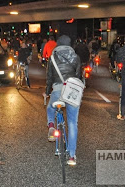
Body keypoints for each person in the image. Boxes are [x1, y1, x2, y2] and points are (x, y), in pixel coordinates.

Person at [44, 35, 82, 166]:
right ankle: (72, 156)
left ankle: (51, 125)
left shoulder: (53, 57)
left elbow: (49, 78)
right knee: (72, 122)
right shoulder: (76, 57)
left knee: (50, 108)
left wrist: (47, 91)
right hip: (71, 91)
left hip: (58, 90)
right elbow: (78, 77)